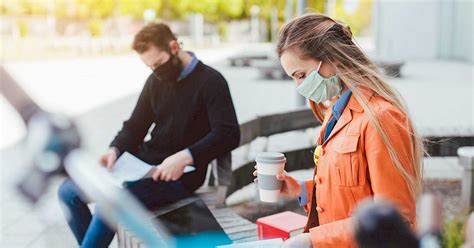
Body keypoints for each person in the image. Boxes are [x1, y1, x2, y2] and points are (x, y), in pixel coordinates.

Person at [58, 22, 240, 247]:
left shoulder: (211, 81)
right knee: (67, 192)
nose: (156, 71)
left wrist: (186, 156)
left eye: (159, 63)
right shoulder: (156, 80)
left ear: (174, 47)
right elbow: (135, 125)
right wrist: (114, 149)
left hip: (180, 176)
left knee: (113, 202)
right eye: (150, 67)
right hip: (141, 164)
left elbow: (229, 133)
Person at [254, 13, 423, 247]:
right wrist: (300, 190)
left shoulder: (381, 118)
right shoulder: (336, 109)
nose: (299, 86)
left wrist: (313, 240)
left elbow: (394, 217)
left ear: (332, 58)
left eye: (302, 75)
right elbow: (353, 191)